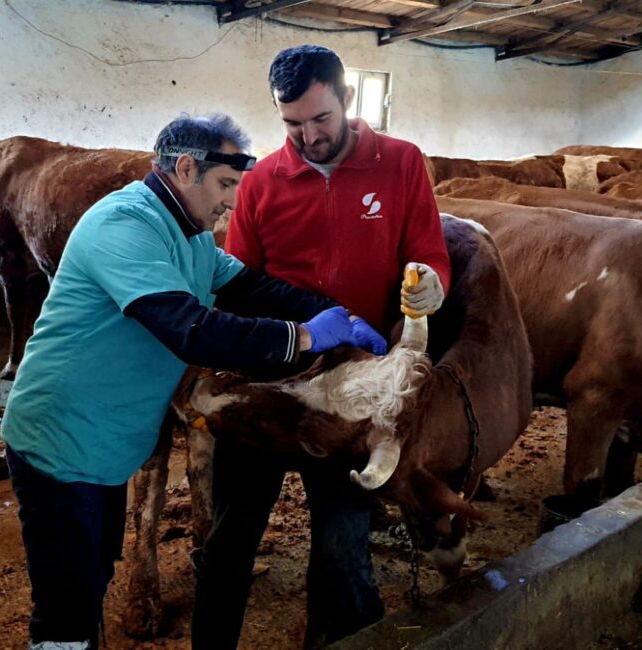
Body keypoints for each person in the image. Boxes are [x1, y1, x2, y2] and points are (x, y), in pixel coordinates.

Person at [1, 113, 386, 650]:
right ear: (186, 169)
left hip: (107, 448)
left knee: (93, 578)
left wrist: (336, 315)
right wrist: (303, 337)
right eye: (225, 185)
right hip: (61, 443)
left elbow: (253, 288)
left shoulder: (193, 237)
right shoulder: (124, 226)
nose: (231, 202)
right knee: (65, 608)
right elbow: (191, 330)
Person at [192, 45, 452, 649]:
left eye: (320, 120)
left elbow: (427, 253)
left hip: (358, 385)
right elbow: (241, 280)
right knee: (230, 536)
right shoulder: (260, 182)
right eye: (292, 124)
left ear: (347, 100)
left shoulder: (402, 163)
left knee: (342, 542)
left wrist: (431, 284)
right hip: (274, 377)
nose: (307, 136)